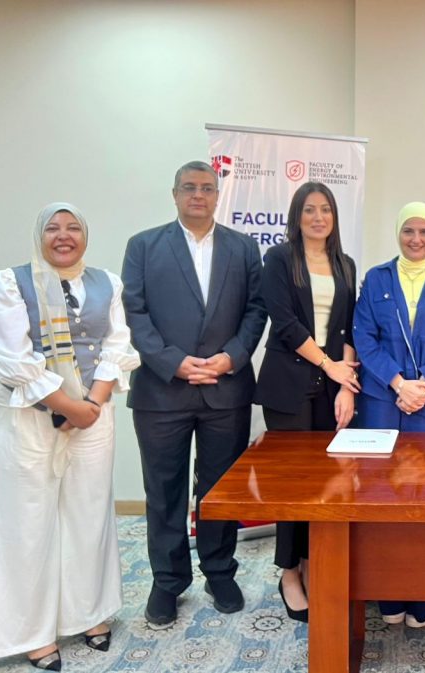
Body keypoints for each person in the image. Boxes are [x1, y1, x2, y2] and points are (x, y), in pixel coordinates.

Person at [0, 203, 140, 670]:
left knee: (89, 514)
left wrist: (91, 403)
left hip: (93, 412)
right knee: (27, 520)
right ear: (40, 236)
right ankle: (33, 632)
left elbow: (117, 343)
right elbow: (10, 357)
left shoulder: (107, 283)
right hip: (27, 417)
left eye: (73, 227)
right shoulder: (9, 283)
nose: (63, 235)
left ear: (85, 236)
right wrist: (67, 406)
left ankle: (88, 614)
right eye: (53, 228)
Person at [122, 161, 266, 626]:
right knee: (164, 490)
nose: (198, 195)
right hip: (162, 391)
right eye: (189, 187)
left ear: (218, 196)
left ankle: (219, 572)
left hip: (226, 388)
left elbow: (256, 309)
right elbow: (134, 312)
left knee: (218, 489)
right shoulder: (143, 246)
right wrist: (172, 362)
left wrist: (231, 357)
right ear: (175, 194)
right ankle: (167, 582)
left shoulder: (243, 247)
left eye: (207, 188)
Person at [254, 181, 360, 623]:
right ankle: (289, 573)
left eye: (326, 210)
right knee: (292, 486)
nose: (319, 217)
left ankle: (315, 562)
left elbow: (350, 326)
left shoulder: (345, 264)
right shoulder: (279, 258)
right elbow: (285, 323)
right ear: (296, 217)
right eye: (310, 210)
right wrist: (329, 365)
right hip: (288, 384)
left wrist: (345, 384)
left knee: (328, 485)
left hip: (332, 387)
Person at [352, 201, 425, 628]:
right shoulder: (377, 278)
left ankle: (423, 593)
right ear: (398, 233)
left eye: (424, 231)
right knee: (382, 498)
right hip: (383, 401)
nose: (416, 239)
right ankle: (388, 592)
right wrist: (399, 384)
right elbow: (364, 338)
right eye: (408, 231)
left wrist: (423, 385)